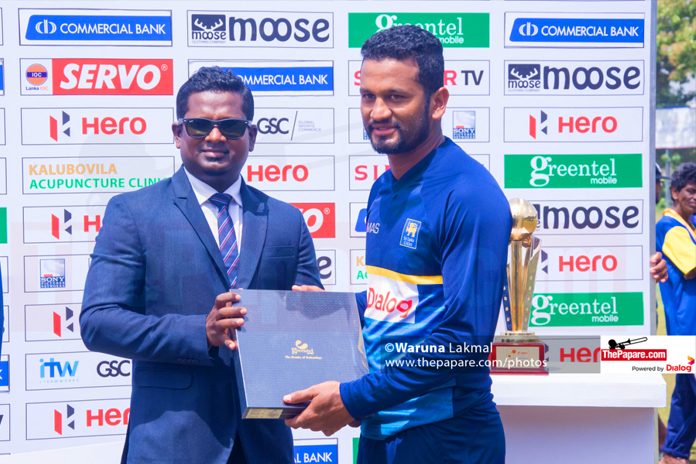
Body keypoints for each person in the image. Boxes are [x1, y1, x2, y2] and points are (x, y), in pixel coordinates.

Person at [284, 26, 511, 463]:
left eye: (396, 97)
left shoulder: (469, 195)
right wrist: (334, 310)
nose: (378, 112)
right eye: (368, 96)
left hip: (447, 438)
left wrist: (353, 398)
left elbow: (464, 343)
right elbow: (401, 300)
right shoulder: (383, 187)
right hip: (380, 428)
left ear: (438, 102)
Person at [80, 67, 322, 463]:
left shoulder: (287, 221)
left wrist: (317, 320)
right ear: (178, 133)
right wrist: (201, 331)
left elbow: (308, 327)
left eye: (231, 126)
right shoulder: (132, 213)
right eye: (199, 125)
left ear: (252, 136)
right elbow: (99, 322)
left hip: (264, 446)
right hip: (171, 445)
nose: (215, 137)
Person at [656, 162, 696, 464]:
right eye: (690, 191)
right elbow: (692, 266)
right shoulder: (669, 227)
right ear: (675, 193)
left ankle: (673, 455)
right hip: (687, 327)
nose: (694, 197)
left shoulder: (689, 225)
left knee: (686, 396)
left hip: (688, 328)